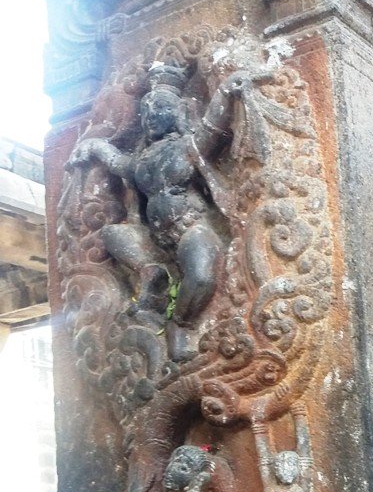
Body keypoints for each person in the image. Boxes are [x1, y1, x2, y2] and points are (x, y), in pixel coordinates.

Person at [66, 58, 272, 359]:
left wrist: (226, 92)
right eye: (147, 109)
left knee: (201, 277)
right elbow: (118, 163)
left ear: (177, 113)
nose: (152, 115)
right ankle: (155, 274)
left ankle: (181, 324)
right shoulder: (141, 160)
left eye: (161, 108)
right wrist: (95, 146)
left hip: (192, 227)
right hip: (158, 239)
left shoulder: (189, 147)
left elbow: (213, 126)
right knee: (111, 234)